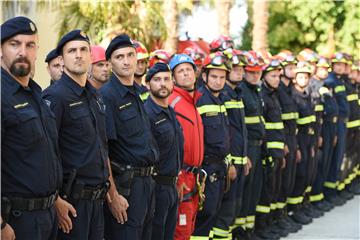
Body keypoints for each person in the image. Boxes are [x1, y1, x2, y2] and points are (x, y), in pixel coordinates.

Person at [42, 30, 112, 239]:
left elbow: (102, 145)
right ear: (62, 60)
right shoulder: (55, 97)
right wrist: (55, 200)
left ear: (91, 56)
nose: (79, 55)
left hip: (97, 201)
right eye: (72, 51)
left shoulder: (95, 95)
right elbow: (45, 152)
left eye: (83, 50)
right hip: (71, 203)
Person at [1, 16, 62, 240]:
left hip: (47, 215)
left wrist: (55, 200)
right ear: (1, 50)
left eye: (30, 45)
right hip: (16, 221)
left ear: (36, 51)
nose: (22, 52)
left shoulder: (36, 93)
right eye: (14, 44)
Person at [99, 34, 159, 240]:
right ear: (110, 63)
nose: (126, 61)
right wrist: (113, 195)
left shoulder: (137, 92)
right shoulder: (108, 96)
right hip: (127, 187)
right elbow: (103, 150)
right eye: (119, 57)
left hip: (147, 184)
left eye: (130, 55)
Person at [192, 52, 231, 239]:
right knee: (203, 218)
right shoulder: (199, 99)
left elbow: (223, 137)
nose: (218, 81)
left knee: (213, 216)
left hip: (220, 167)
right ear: (205, 76)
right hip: (206, 170)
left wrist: (228, 162)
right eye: (214, 76)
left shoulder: (221, 100)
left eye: (222, 77)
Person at [143, 63, 184, 240]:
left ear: (173, 82)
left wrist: (178, 179)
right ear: (148, 84)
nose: (162, 84)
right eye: (157, 80)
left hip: (172, 185)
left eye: (166, 79)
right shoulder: (147, 113)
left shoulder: (171, 112)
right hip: (155, 187)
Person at [168, 54, 204, 240]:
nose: (186, 74)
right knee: (180, 232)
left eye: (188, 69)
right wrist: (178, 176)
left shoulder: (193, 102)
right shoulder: (172, 102)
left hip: (194, 177)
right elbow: (168, 145)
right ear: (173, 77)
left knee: (189, 229)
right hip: (181, 177)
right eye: (180, 71)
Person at [255, 59, 287, 239]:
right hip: (267, 152)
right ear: (264, 76)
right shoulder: (263, 96)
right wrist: (267, 151)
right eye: (273, 76)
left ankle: (268, 224)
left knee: (273, 188)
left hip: (276, 150)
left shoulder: (274, 95)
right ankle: (261, 227)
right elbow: (263, 128)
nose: (277, 79)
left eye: (278, 76)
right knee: (265, 191)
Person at [221, 49, 250, 239]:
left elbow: (240, 131)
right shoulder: (223, 95)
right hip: (230, 163)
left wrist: (245, 156)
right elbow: (224, 134)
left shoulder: (236, 94)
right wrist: (229, 162)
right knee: (226, 210)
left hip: (240, 159)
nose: (240, 72)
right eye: (236, 68)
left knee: (236, 206)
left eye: (242, 69)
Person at [238, 50, 266, 239]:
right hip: (248, 149)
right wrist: (245, 152)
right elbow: (241, 128)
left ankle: (249, 229)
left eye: (257, 72)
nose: (255, 75)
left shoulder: (256, 91)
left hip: (258, 146)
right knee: (245, 192)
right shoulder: (242, 91)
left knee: (254, 191)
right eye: (251, 72)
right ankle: (240, 231)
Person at [273, 51, 302, 233]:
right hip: (282, 140)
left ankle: (283, 215)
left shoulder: (291, 89)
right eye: (289, 67)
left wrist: (295, 145)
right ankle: (276, 218)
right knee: (280, 182)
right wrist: (283, 143)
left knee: (289, 180)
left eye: (294, 67)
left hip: (292, 139)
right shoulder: (278, 90)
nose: (292, 71)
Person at [288, 61, 316, 225]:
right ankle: (292, 210)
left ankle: (299, 206)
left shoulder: (306, 95)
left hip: (308, 140)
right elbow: (295, 126)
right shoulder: (293, 96)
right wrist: (297, 147)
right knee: (298, 175)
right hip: (298, 140)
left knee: (306, 173)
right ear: (295, 79)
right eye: (300, 76)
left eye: (306, 77)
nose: (303, 80)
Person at [309, 57, 339, 212]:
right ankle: (314, 199)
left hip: (329, 128)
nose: (325, 71)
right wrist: (318, 134)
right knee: (318, 166)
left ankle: (319, 197)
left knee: (326, 163)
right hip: (321, 128)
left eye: (326, 69)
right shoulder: (313, 85)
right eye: (321, 68)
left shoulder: (326, 85)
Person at [323, 52, 350, 206]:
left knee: (338, 157)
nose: (340, 67)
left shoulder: (339, 81)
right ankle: (329, 193)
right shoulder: (330, 81)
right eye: (337, 65)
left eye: (342, 65)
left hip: (342, 123)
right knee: (334, 158)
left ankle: (333, 191)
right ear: (333, 66)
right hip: (336, 122)